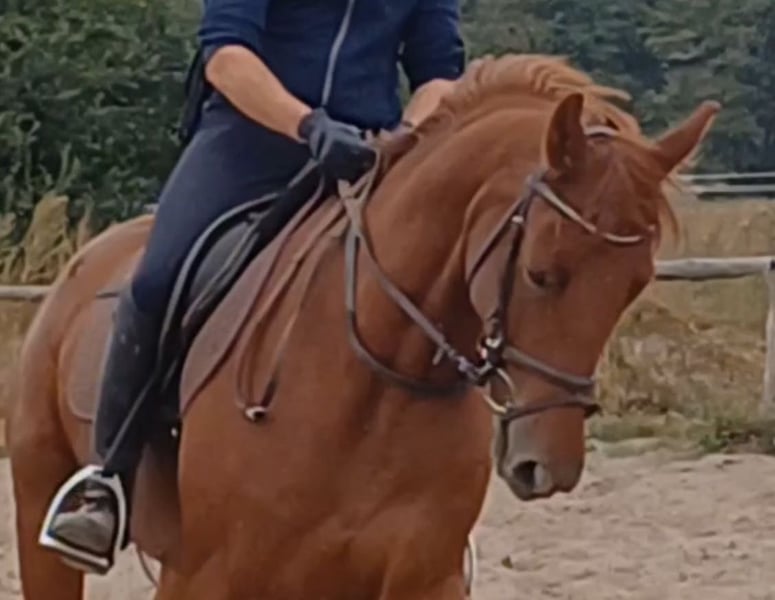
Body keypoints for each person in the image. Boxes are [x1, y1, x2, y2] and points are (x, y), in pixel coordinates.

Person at [39, 0, 466, 573]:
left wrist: (404, 139)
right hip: (249, 140)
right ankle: (107, 482)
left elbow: (440, 73)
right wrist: (309, 125)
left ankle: (430, 507)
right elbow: (228, 57)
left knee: (431, 286)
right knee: (157, 279)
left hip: (370, 153)